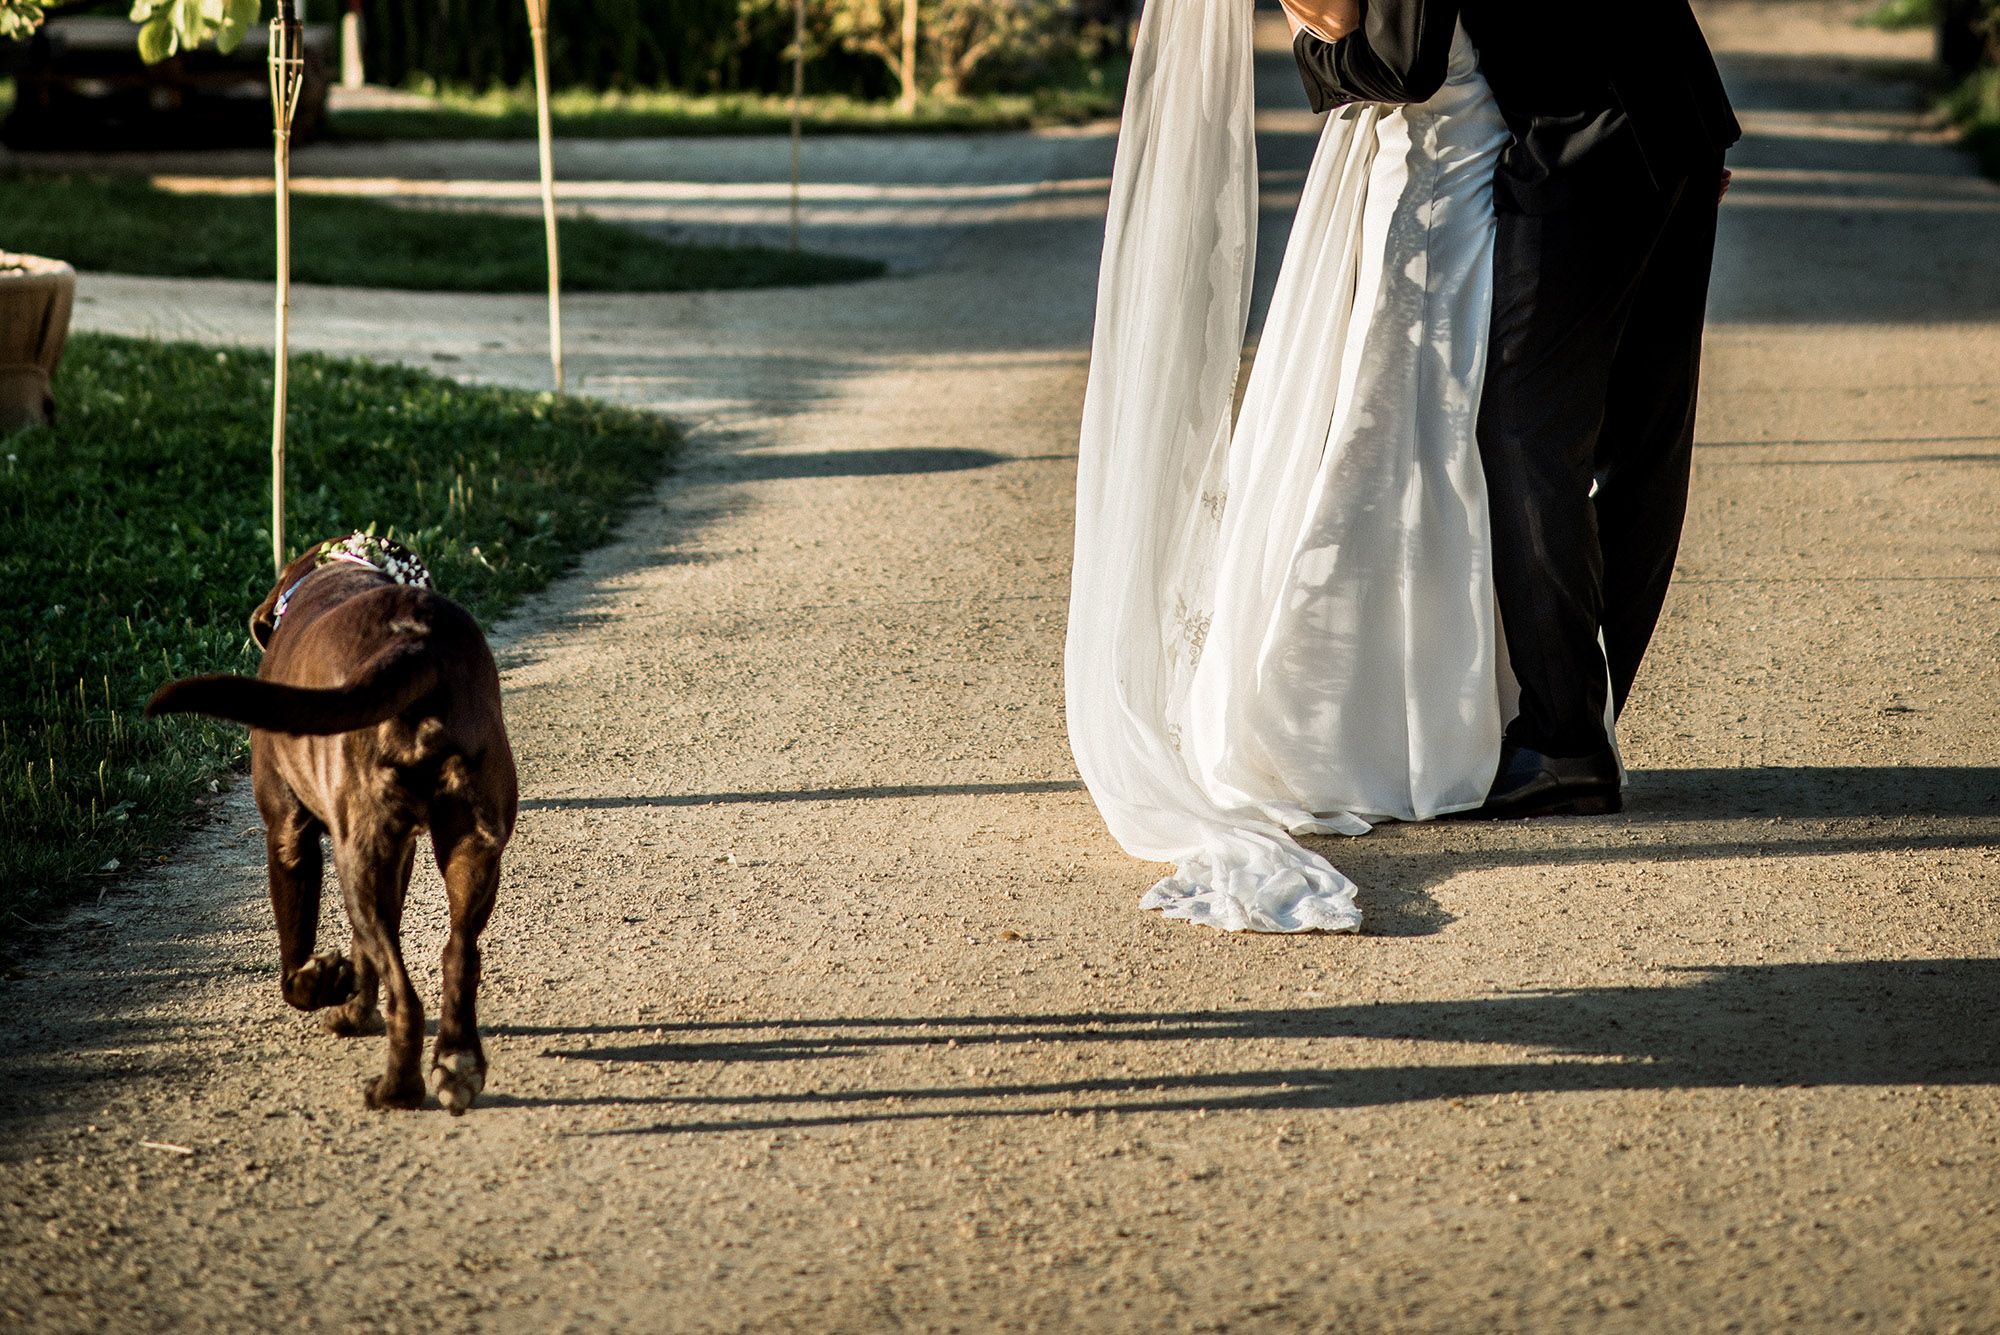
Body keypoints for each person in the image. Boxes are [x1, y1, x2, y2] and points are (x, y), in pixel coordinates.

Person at [1064, 0, 1735, 932]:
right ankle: (1571, 718)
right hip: (1671, 117)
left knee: (1529, 437)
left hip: (1579, 141)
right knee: (1640, 439)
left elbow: (1400, 57)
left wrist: (1313, 40)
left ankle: (1569, 740)